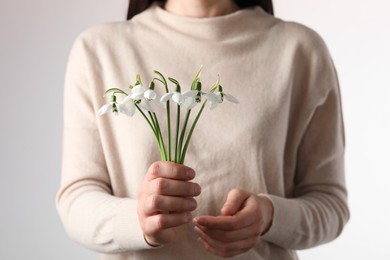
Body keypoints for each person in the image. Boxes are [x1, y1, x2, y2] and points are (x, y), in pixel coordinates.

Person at [56, 0, 349, 259]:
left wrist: (271, 216)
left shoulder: (299, 49)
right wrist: (138, 220)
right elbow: (76, 200)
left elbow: (330, 204)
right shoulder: (100, 49)